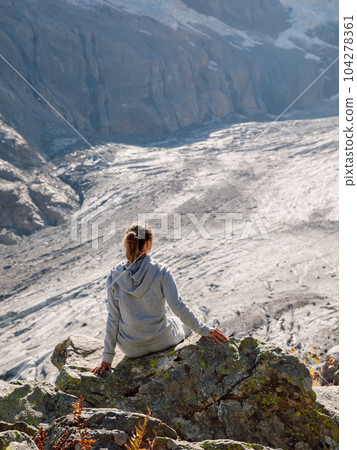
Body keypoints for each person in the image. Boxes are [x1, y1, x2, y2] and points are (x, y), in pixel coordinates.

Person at [91, 222, 228, 375]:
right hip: (163, 340)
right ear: (148, 243)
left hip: (131, 348)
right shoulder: (161, 271)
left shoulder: (114, 275)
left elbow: (113, 318)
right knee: (187, 327)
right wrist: (204, 330)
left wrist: (107, 358)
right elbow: (178, 307)